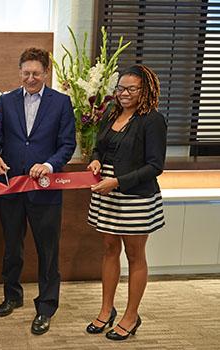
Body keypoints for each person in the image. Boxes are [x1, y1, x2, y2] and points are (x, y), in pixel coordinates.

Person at [0, 47, 76, 335]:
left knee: (47, 252)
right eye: (26, 73)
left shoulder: (61, 103)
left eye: (36, 73)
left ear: (46, 72)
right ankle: (12, 295)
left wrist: (50, 165)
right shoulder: (6, 101)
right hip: (11, 187)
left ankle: (46, 307)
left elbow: (67, 144)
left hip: (45, 191)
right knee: (12, 246)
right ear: (20, 72)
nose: (30, 78)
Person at [86, 64, 166, 341]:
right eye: (120, 88)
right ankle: (107, 310)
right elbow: (100, 146)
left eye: (131, 89)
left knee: (134, 256)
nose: (124, 93)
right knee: (109, 249)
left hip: (134, 196)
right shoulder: (111, 112)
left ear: (145, 91)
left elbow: (155, 165)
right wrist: (95, 158)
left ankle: (131, 317)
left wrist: (118, 182)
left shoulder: (153, 120)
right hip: (106, 193)